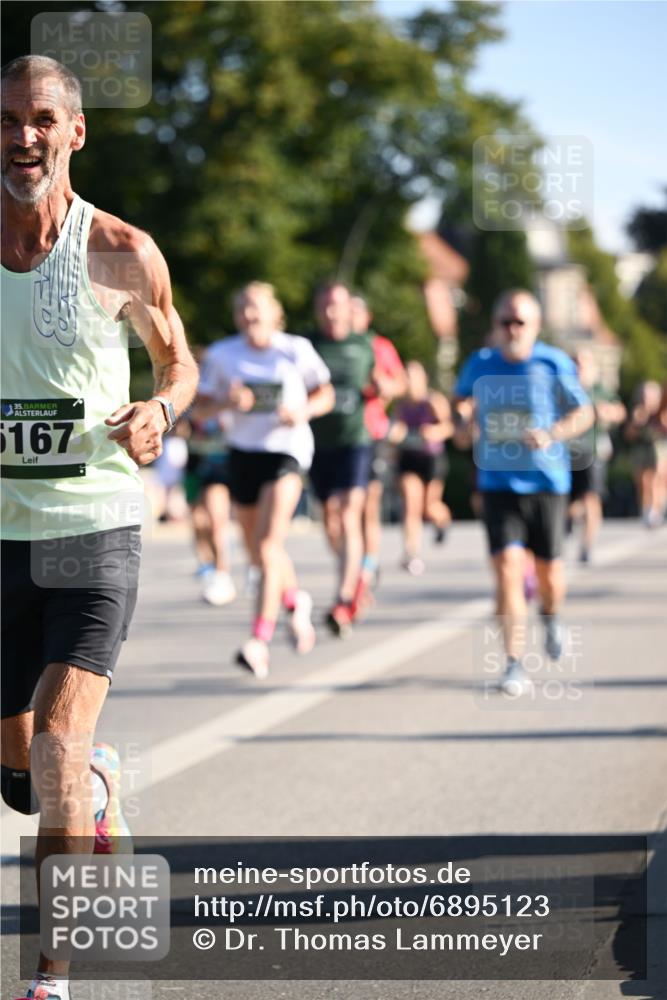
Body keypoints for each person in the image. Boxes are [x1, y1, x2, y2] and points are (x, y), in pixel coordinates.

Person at [1, 57, 198, 1000]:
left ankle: (52, 974)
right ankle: (104, 783)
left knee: (55, 756)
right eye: (6, 120)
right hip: (3, 533)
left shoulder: (120, 248)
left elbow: (179, 363)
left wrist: (161, 410)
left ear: (75, 131)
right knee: (16, 766)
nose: (21, 136)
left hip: (95, 526)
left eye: (42, 119)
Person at [453, 289, 593, 696]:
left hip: (547, 484)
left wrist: (551, 434)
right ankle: (514, 664)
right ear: (495, 326)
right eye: (505, 322)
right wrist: (464, 425)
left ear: (535, 326)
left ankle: (551, 615)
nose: (512, 330)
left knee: (549, 577)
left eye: (521, 323)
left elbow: (583, 413)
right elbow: (460, 415)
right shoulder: (479, 365)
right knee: (507, 572)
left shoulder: (552, 362)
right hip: (498, 484)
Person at [196, 282, 334, 677]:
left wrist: (303, 410)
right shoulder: (223, 355)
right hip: (243, 454)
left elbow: (326, 394)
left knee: (269, 544)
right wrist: (227, 402)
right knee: (257, 550)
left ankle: (259, 640)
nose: (250, 316)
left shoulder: (295, 349)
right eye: (243, 309)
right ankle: (295, 600)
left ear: (276, 314)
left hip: (286, 451)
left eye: (257, 309)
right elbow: (200, 411)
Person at [308, 282, 376, 636]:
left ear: (351, 309)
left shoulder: (366, 345)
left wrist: (385, 387)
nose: (332, 312)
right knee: (330, 520)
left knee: (350, 513)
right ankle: (357, 574)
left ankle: (344, 597)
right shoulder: (307, 345)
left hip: (355, 440)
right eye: (325, 305)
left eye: (338, 305)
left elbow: (394, 383)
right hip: (318, 443)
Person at [350, 294, 406, 593]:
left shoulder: (378, 346)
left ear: (367, 316)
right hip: (335, 435)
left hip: (371, 433)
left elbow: (400, 382)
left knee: (368, 504)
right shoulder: (328, 346)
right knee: (339, 511)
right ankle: (352, 559)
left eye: (356, 310)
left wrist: (385, 385)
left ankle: (367, 566)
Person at [389, 360, 453, 575]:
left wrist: (434, 432)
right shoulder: (401, 407)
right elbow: (395, 434)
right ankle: (411, 552)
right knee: (410, 504)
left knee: (429, 508)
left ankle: (443, 521)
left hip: (431, 458)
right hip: (408, 458)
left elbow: (449, 427)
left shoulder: (433, 402)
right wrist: (394, 440)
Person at [568, 348, 626, 561]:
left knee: (591, 497)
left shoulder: (599, 389)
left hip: (592, 452)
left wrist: (606, 412)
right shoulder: (564, 389)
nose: (579, 368)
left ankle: (587, 545)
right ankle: (570, 520)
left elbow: (620, 411)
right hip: (565, 452)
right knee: (568, 499)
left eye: (583, 363)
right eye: (575, 363)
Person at [183, 406, 236, 607]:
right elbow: (179, 429)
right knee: (197, 521)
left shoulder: (225, 392)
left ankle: (223, 574)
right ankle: (207, 565)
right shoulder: (189, 396)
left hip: (219, 463)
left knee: (216, 519)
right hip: (195, 461)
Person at [624, 380, 667, 528]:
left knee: (658, 478)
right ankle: (646, 509)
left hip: (658, 446)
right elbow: (628, 435)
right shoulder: (638, 411)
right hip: (642, 448)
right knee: (643, 480)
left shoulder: (661, 410)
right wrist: (637, 422)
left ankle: (656, 510)